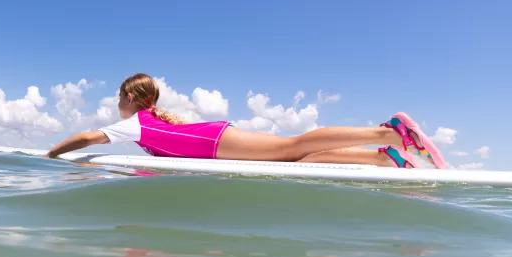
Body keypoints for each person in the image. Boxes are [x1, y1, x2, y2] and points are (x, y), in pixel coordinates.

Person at [44, 73, 447, 169]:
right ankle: (386, 158)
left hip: (216, 143)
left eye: (119, 98)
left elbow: (85, 137)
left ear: (131, 98)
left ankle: (389, 130)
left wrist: (49, 156)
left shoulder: (133, 123)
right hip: (215, 144)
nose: (117, 105)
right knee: (298, 162)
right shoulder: (147, 124)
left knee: (293, 146)